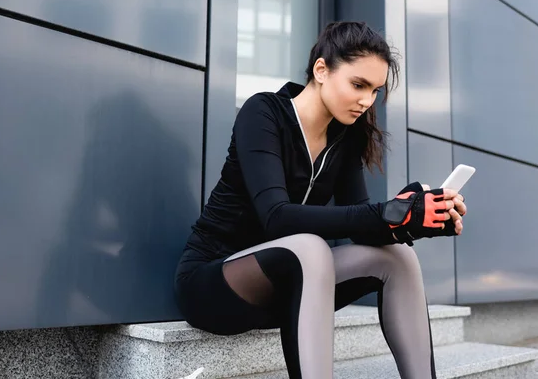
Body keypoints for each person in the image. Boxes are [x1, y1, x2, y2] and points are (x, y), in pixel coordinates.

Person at [173, 21, 466, 379]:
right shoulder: (264, 113)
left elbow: (363, 228)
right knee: (309, 248)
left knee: (399, 258)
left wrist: (418, 220)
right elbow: (277, 219)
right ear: (321, 70)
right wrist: (388, 214)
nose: (367, 100)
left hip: (289, 291)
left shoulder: (346, 138)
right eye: (358, 85)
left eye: (375, 90)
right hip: (218, 284)